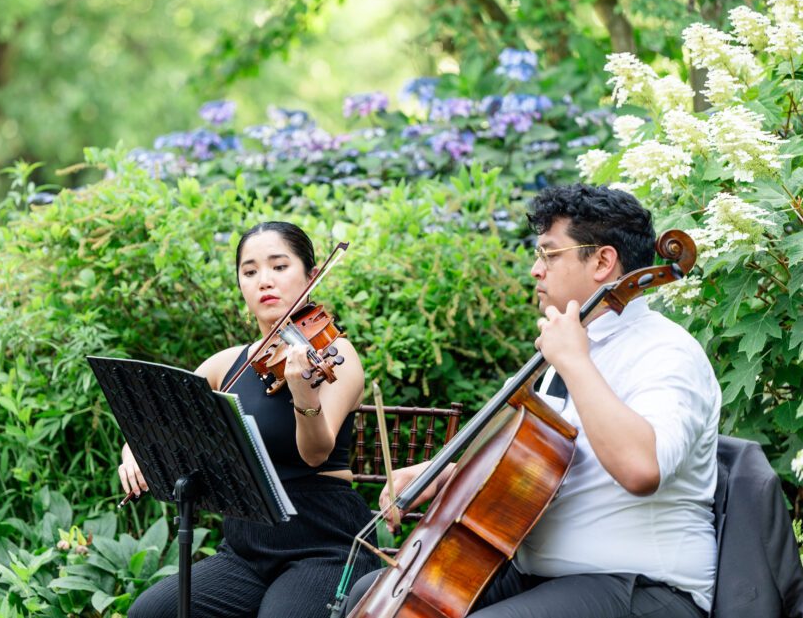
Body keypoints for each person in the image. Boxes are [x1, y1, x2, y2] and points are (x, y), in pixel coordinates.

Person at [347, 184, 720, 618]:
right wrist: (445, 478)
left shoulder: (665, 352)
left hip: (641, 586)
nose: (534, 270)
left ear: (602, 261)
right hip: (541, 575)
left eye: (549, 254)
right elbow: (538, 470)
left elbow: (641, 469)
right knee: (372, 598)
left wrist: (575, 363)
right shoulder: (568, 346)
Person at [122, 221, 380, 618]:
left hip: (324, 543)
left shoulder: (336, 356)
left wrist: (303, 393)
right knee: (151, 612)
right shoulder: (229, 364)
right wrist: (133, 452)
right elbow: (157, 412)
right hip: (247, 547)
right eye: (250, 271)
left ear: (311, 276)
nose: (264, 281)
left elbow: (315, 454)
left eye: (279, 267)